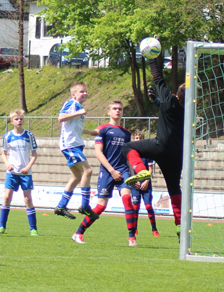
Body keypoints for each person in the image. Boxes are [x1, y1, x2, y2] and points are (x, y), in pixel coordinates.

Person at [122, 57, 185, 240]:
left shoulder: (169, 99)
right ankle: (180, 224)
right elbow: (168, 104)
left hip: (161, 146)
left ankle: (142, 171)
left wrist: (151, 58)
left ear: (177, 95)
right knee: (174, 187)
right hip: (177, 153)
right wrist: (157, 101)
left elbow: (158, 78)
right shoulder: (189, 108)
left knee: (128, 147)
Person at [72, 100, 138, 246]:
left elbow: (128, 156)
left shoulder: (127, 133)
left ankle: (132, 237)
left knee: (127, 199)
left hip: (123, 170)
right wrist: (112, 171)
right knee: (100, 206)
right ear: (108, 112)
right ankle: (79, 232)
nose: (117, 111)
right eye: (114, 109)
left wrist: (133, 175)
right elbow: (98, 153)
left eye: (120, 109)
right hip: (108, 172)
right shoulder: (102, 129)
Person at [54, 82, 99, 220]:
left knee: (77, 177)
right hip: (70, 144)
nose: (85, 93)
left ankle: (61, 206)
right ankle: (85, 206)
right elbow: (61, 118)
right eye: (81, 92)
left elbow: (74, 127)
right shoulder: (71, 103)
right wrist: (78, 112)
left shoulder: (79, 107)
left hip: (75, 144)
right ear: (74, 94)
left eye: (85, 91)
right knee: (88, 171)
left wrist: (90, 132)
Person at [0, 109, 38, 235]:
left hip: (26, 173)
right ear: (11, 121)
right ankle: (2, 227)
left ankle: (33, 228)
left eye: (21, 118)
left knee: (27, 199)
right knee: (6, 197)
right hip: (12, 173)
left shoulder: (29, 135)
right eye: (16, 119)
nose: (19, 121)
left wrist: (28, 167)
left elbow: (34, 155)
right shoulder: (8, 136)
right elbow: (3, 153)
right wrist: (7, 164)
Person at [130, 130, 160, 237]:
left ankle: (154, 229)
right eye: (136, 138)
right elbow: (130, 170)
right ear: (134, 140)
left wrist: (146, 181)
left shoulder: (148, 153)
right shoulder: (131, 154)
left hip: (146, 184)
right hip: (135, 185)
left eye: (140, 138)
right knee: (135, 207)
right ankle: (134, 229)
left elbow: (150, 170)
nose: (138, 140)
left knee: (148, 206)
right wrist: (134, 181)